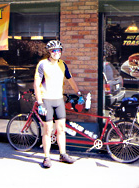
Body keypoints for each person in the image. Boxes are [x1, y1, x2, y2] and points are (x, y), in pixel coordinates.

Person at [34, 40, 81, 168]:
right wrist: (39, 102)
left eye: (58, 50)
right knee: (48, 130)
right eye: (54, 50)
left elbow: (70, 79)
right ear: (49, 52)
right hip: (47, 100)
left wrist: (79, 93)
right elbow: (36, 84)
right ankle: (46, 157)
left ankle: (63, 154)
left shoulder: (63, 64)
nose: (56, 53)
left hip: (59, 100)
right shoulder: (42, 64)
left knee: (61, 129)